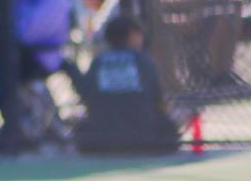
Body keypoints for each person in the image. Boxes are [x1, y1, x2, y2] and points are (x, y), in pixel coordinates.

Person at [73, 14, 182, 154]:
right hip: (143, 138)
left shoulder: (98, 61)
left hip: (101, 139)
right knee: (170, 125)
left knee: (81, 127)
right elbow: (159, 101)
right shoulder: (143, 59)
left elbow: (87, 98)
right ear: (132, 35)